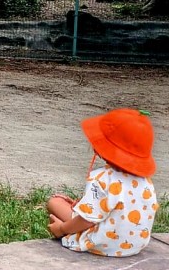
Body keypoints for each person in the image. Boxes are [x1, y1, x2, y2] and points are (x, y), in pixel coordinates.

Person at [47, 108, 158, 258]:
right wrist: (82, 205)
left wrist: (61, 229)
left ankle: (67, 227)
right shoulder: (146, 182)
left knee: (55, 202)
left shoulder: (103, 178)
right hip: (134, 246)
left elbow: (87, 221)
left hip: (102, 244)